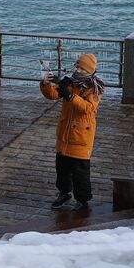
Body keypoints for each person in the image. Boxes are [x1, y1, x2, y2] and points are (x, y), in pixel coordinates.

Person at [39, 53, 105, 210]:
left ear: (90, 70)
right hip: (64, 134)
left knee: (80, 173)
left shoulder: (95, 88)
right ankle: (64, 193)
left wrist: (70, 96)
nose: (78, 70)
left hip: (81, 137)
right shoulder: (70, 82)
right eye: (77, 66)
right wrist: (47, 84)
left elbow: (88, 109)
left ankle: (82, 201)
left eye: (82, 68)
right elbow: (53, 95)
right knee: (62, 169)